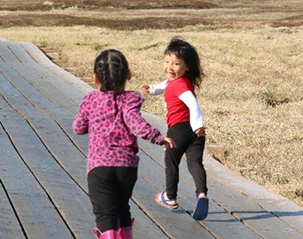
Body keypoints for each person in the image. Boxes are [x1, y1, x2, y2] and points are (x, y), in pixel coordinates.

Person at [74, 49, 175, 239]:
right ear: (128, 75)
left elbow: (78, 127)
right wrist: (158, 137)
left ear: (96, 78)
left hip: (99, 167)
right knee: (122, 209)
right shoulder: (131, 99)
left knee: (105, 215)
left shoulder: (91, 100)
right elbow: (136, 123)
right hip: (126, 168)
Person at [142, 37, 209, 221]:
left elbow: (193, 104)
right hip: (195, 134)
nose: (169, 67)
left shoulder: (180, 87)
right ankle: (202, 194)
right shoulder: (180, 81)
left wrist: (198, 123)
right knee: (194, 162)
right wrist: (152, 88)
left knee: (171, 160)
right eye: (166, 62)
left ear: (186, 67)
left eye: (176, 64)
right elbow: (164, 85)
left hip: (180, 129)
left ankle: (170, 197)